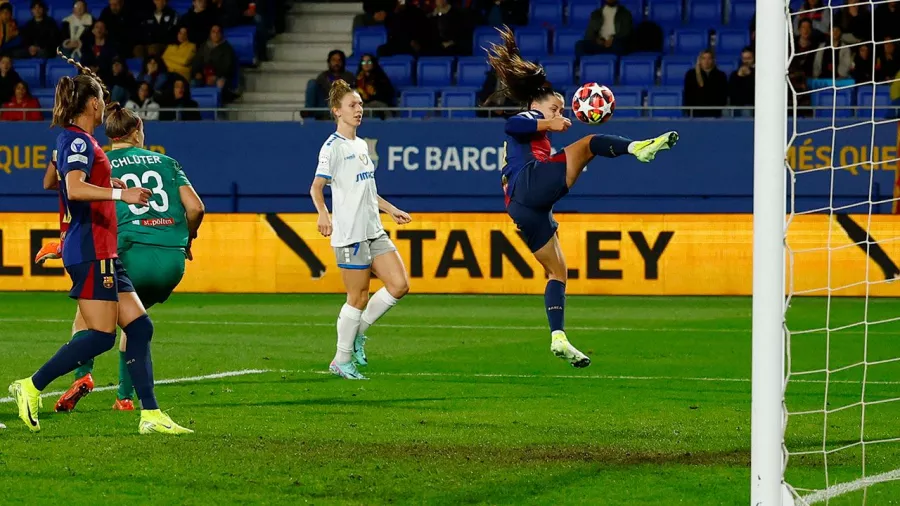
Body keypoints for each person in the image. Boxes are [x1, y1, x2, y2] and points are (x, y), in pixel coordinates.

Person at [7, 50, 191, 435]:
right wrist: (120, 195)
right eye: (102, 100)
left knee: (139, 328)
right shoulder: (78, 142)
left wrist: (109, 182)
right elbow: (72, 188)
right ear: (92, 103)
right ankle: (31, 386)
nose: (106, 105)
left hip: (104, 249)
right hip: (92, 249)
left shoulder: (77, 141)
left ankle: (151, 415)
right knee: (103, 336)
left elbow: (55, 181)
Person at [486, 26, 678, 367]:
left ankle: (558, 337)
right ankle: (639, 149)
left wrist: (553, 134)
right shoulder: (530, 117)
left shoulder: (540, 139)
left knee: (558, 273)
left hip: (525, 208)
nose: (561, 114)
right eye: (557, 107)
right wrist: (549, 124)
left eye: (561, 110)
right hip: (527, 186)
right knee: (589, 144)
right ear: (538, 103)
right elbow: (512, 126)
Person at [47, 105, 205, 412]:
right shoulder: (168, 162)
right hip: (171, 260)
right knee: (135, 321)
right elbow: (196, 208)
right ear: (136, 132)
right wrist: (189, 239)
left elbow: (68, 191)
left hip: (126, 253)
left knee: (88, 315)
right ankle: (124, 397)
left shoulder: (102, 162)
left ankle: (82, 375)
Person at [309, 79, 411, 380]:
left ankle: (357, 335)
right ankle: (341, 360)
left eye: (360, 105)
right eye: (352, 105)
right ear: (336, 111)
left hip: (373, 229)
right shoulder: (333, 148)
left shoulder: (361, 145)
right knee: (358, 297)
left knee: (399, 285)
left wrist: (391, 209)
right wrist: (323, 214)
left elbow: (367, 189)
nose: (359, 110)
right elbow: (316, 188)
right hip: (351, 233)